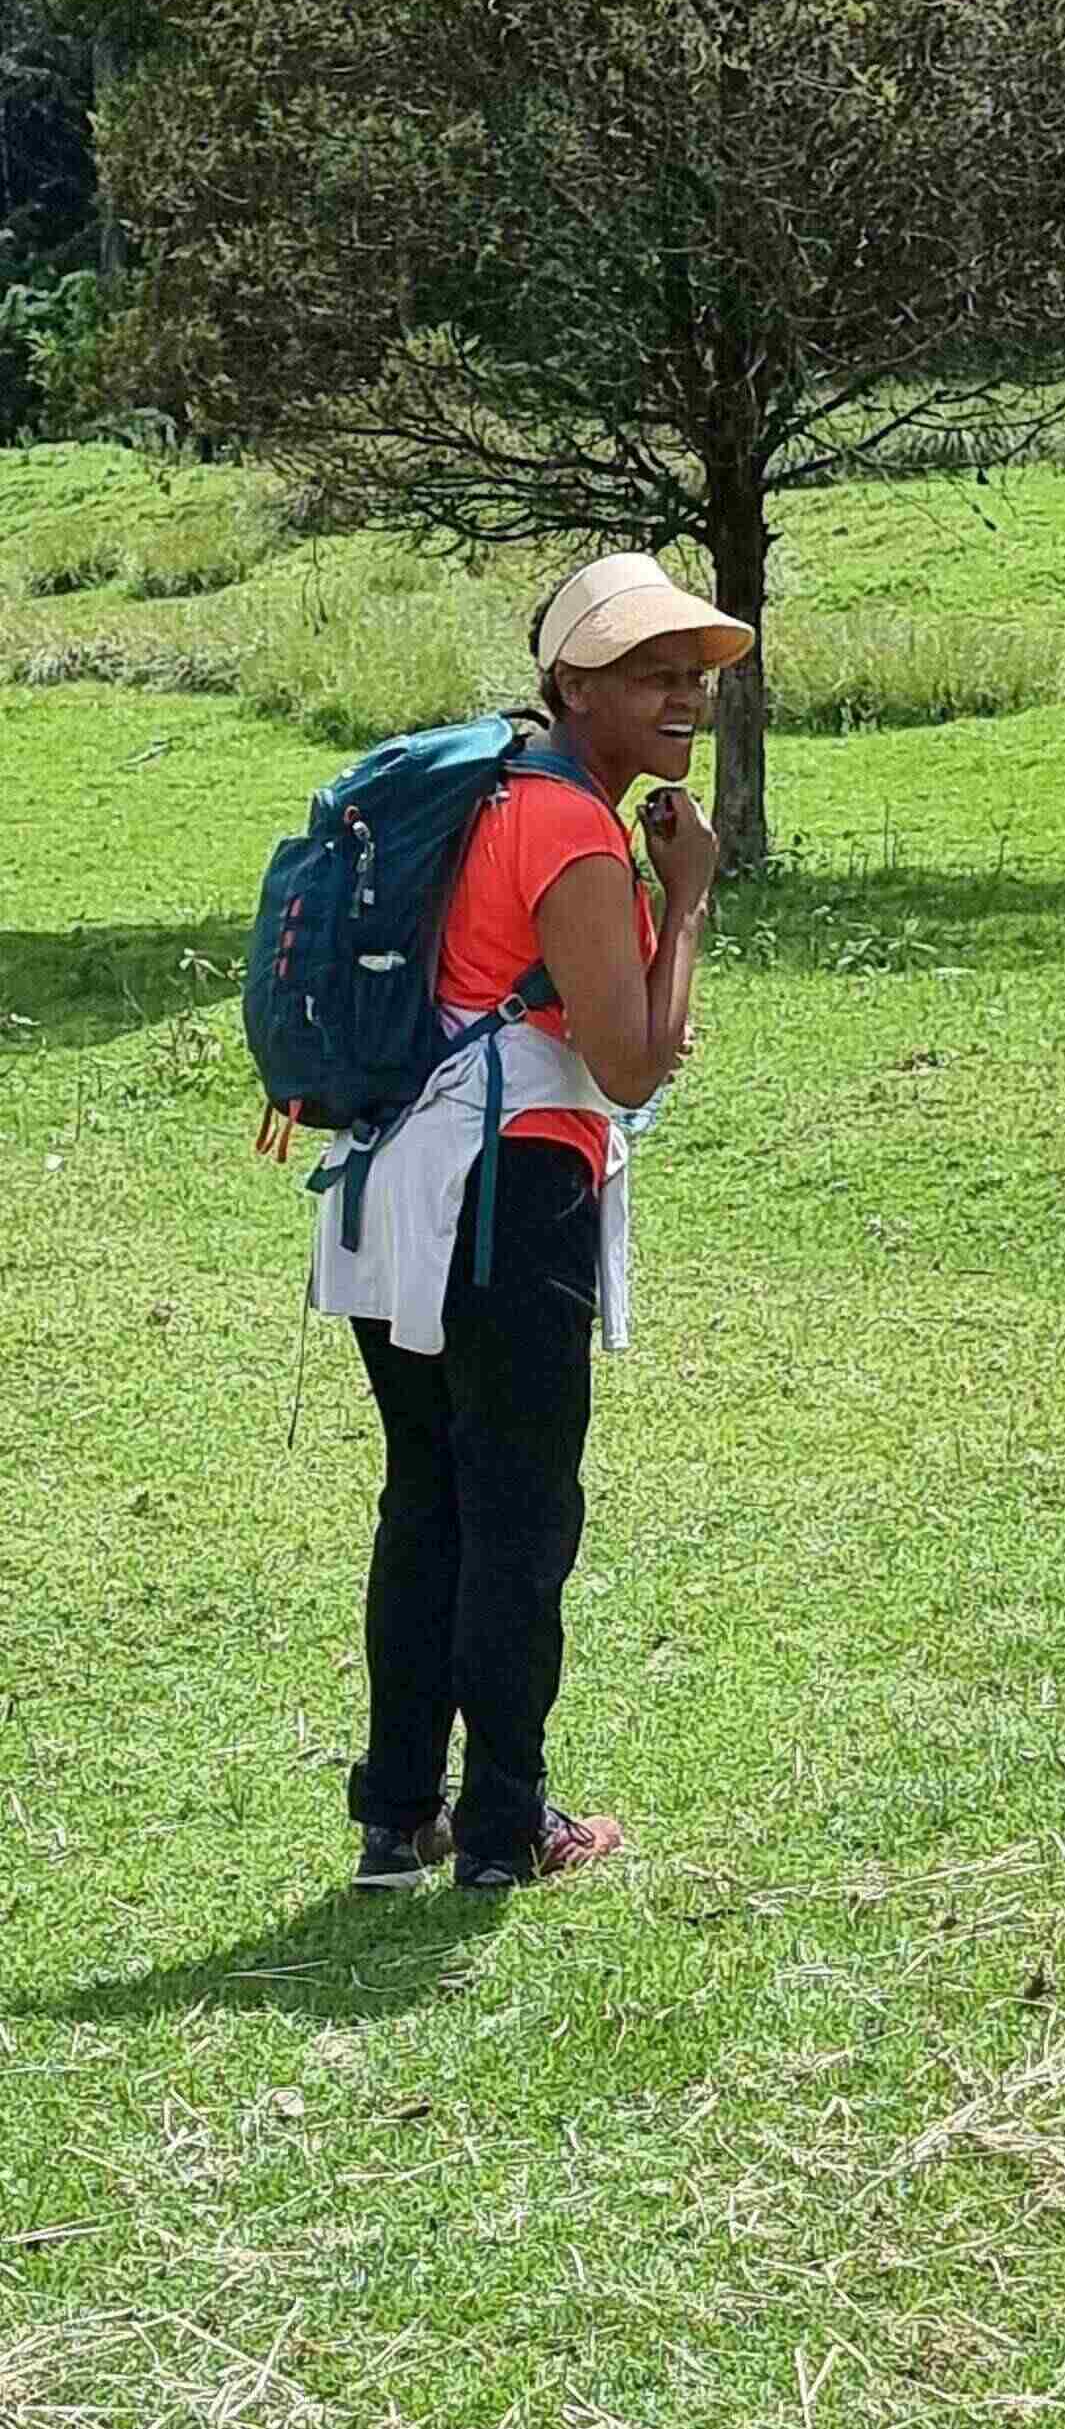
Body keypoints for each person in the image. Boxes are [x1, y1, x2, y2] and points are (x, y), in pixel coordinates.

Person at [317, 553, 752, 1891]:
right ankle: (508, 1830)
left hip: (397, 1188)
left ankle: (400, 1816)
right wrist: (687, 897)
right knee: (519, 1515)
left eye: (693, 672)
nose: (684, 694)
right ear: (574, 683)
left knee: (431, 1498)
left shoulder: (490, 793)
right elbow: (627, 1062)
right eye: (649, 672)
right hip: (503, 1193)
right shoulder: (566, 828)